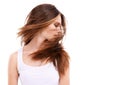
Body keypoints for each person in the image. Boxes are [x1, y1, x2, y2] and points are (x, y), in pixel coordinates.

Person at [8, 3, 70, 85]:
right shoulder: (15, 58)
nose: (59, 30)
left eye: (60, 27)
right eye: (56, 25)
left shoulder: (60, 56)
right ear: (42, 22)